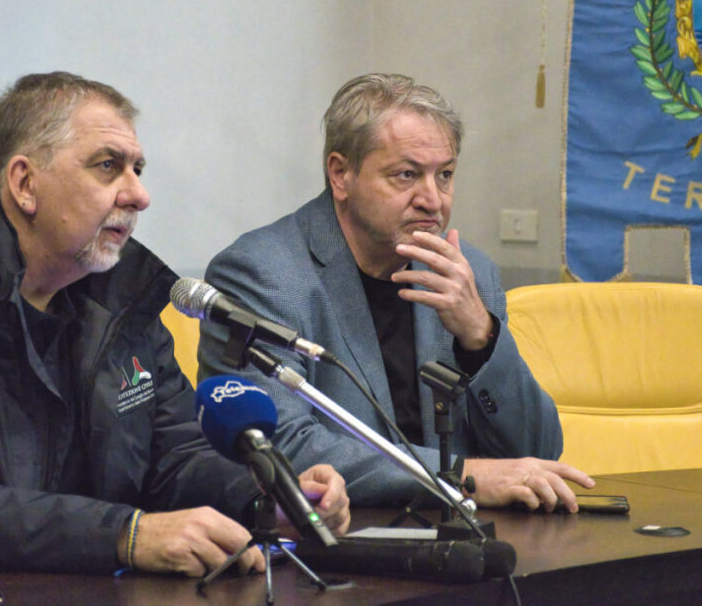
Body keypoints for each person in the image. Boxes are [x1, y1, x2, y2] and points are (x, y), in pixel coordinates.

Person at [0, 72, 349, 595]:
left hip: (53, 583)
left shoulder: (122, 292)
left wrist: (265, 499)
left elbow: (171, 456)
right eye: (108, 166)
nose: (139, 195)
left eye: (138, 170)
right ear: (25, 183)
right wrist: (124, 535)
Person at [198, 73, 593, 511]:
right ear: (340, 174)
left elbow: (537, 451)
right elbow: (278, 443)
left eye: (445, 175)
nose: (433, 200)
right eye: (407, 175)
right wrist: (459, 477)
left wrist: (480, 337)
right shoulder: (261, 273)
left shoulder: (468, 274)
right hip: (340, 532)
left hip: (467, 532)